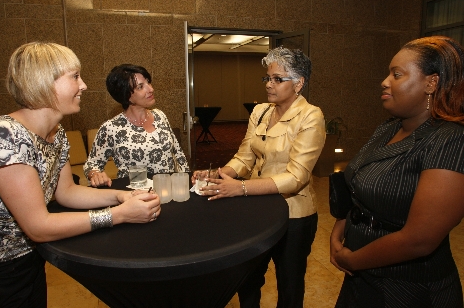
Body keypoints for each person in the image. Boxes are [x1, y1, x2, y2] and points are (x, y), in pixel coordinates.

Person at [0, 42, 161, 307]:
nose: (84, 86)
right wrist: (119, 215)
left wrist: (120, 196)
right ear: (43, 82)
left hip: (28, 260)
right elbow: (38, 227)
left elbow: (67, 192)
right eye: (75, 77)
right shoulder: (3, 137)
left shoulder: (56, 134)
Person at [330, 36, 464, 308]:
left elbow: (419, 240)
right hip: (361, 280)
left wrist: (353, 260)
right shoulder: (388, 128)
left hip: (408, 289)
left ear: (431, 82)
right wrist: (338, 233)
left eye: (397, 74)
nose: (384, 81)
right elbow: (357, 187)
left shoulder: (450, 140)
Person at [192, 47, 326, 307]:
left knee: (289, 283)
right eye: (267, 78)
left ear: (299, 83)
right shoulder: (261, 112)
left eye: (278, 79)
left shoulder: (311, 116)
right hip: (256, 210)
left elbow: (296, 177)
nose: (269, 84)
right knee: (248, 278)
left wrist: (240, 188)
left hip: (294, 214)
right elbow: (244, 157)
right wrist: (220, 175)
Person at [84, 64, 189, 187]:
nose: (150, 89)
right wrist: (95, 174)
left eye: (148, 82)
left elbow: (178, 154)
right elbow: (92, 164)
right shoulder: (111, 128)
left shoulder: (160, 116)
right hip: (136, 197)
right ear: (126, 95)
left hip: (170, 191)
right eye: (140, 87)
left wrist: (186, 179)